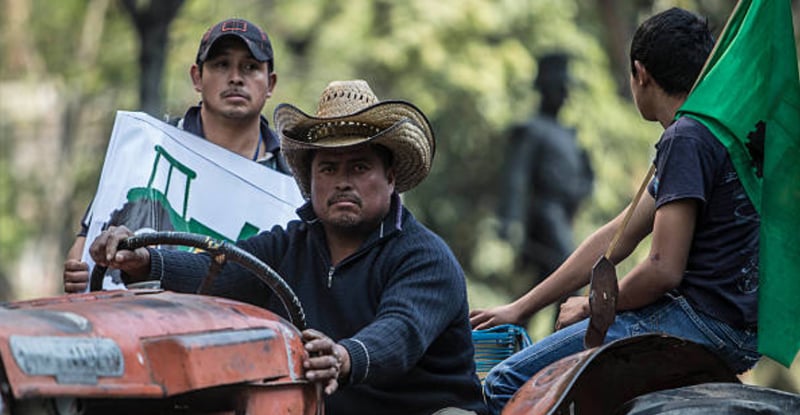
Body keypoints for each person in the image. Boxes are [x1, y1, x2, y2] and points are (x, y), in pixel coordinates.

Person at [88, 79, 487, 415]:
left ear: (391, 177)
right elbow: (218, 271)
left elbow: (401, 332)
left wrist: (346, 357)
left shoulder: (424, 258)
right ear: (311, 181)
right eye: (328, 168)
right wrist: (143, 260)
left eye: (359, 167)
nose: (342, 181)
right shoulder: (288, 245)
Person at [471, 8, 760, 414]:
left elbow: (662, 269)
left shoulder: (686, 137)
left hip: (698, 322)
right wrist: (522, 307)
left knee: (506, 381)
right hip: (740, 331)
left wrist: (592, 306)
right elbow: (617, 236)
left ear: (640, 73)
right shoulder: (717, 132)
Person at [63, 18, 290, 293]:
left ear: (270, 83)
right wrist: (78, 269)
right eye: (221, 64)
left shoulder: (293, 179)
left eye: (251, 67)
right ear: (197, 77)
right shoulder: (145, 147)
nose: (236, 78)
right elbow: (83, 246)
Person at [500, 52, 594, 288]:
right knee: (571, 278)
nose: (564, 95)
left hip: (564, 214)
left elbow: (586, 176)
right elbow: (517, 175)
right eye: (559, 88)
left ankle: (523, 323)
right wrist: (510, 219)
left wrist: (584, 186)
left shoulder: (569, 134)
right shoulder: (532, 129)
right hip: (544, 214)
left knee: (540, 285)